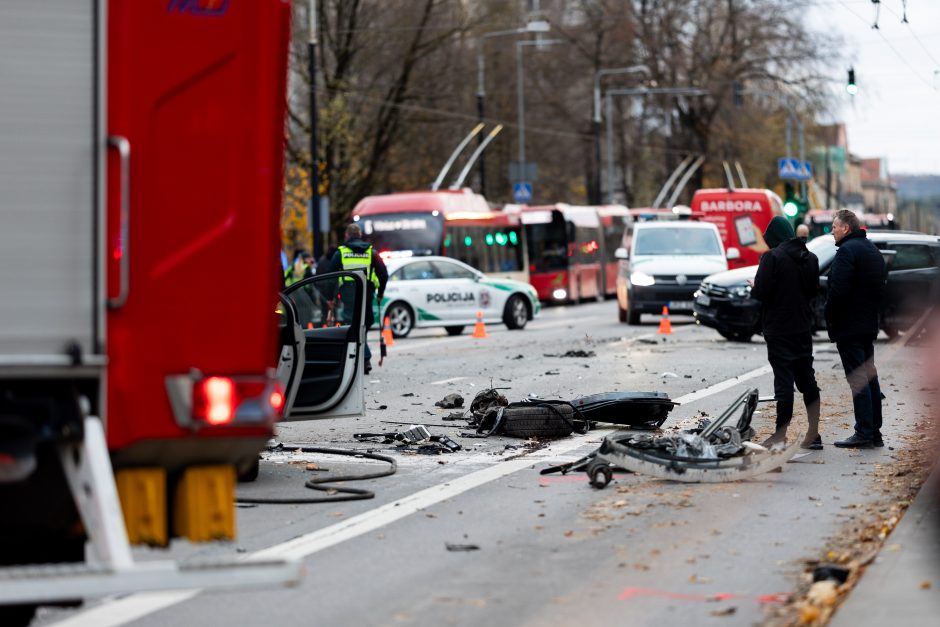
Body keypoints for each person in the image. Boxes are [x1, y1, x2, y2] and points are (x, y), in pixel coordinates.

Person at [751, 216, 823, 449]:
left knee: (784, 384)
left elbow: (761, 292)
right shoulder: (810, 258)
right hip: (802, 328)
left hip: (779, 329)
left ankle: (780, 435)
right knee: (807, 381)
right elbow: (813, 292)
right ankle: (813, 434)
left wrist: (754, 286)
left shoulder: (772, 257)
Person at [825, 209, 887, 448]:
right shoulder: (871, 250)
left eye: (834, 226)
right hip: (867, 324)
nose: (832, 230)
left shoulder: (847, 252)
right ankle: (874, 432)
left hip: (849, 326)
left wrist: (829, 315)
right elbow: (881, 286)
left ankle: (864, 431)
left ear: (846, 229)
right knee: (869, 377)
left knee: (858, 379)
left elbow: (838, 291)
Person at [326, 224, 388, 374]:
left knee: (353, 324)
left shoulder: (340, 253)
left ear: (347, 236)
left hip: (348, 294)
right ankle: (363, 358)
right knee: (364, 322)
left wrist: (330, 298)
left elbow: (329, 278)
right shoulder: (371, 253)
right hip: (367, 293)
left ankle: (362, 357)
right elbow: (383, 274)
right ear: (359, 235)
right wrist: (380, 293)